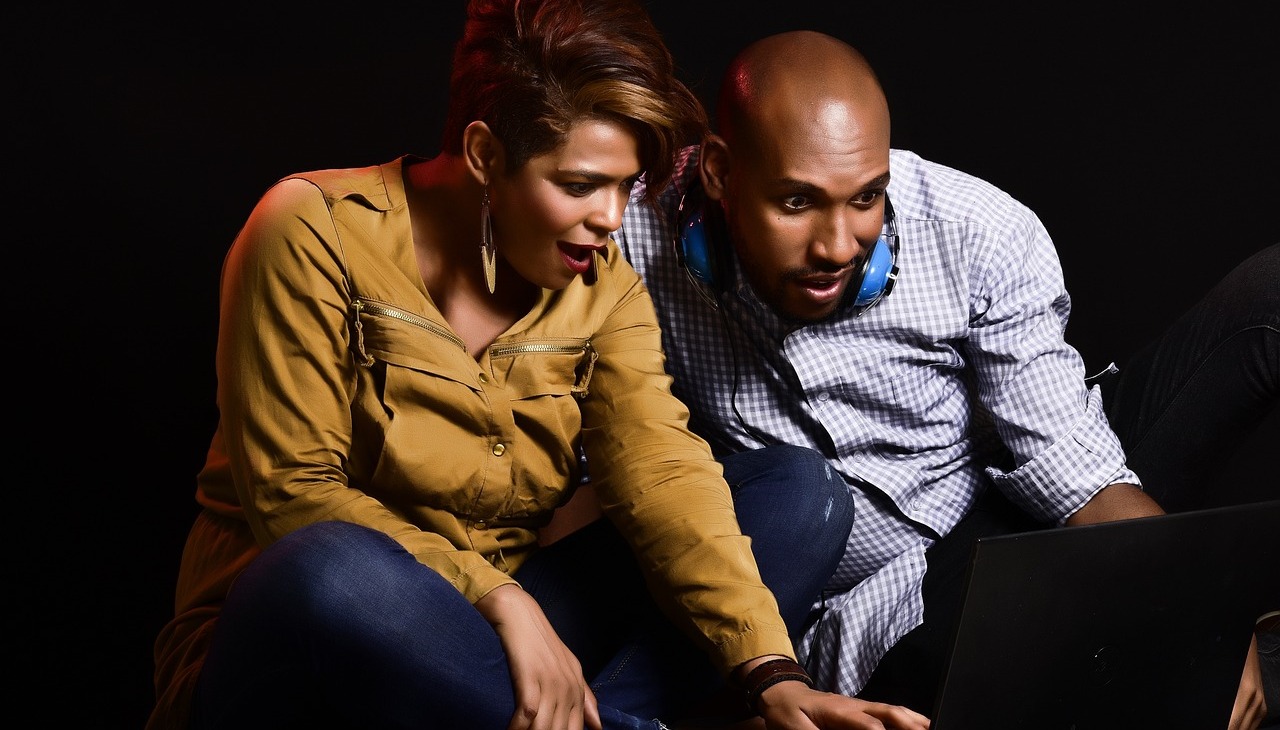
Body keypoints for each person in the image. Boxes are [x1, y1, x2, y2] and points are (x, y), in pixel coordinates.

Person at [146, 4, 937, 730]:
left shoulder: (604, 284)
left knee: (801, 496)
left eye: (628, 185)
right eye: (580, 185)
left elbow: (658, 470)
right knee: (328, 565)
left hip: (507, 651)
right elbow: (295, 496)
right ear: (487, 153)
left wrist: (772, 675)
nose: (612, 218)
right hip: (317, 643)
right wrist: (498, 598)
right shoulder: (311, 232)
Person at [612, 30, 1279, 730]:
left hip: (1015, 516)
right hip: (883, 625)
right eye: (797, 203)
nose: (837, 247)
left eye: (866, 198)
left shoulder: (977, 233)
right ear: (719, 173)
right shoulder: (627, 235)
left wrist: (1198, 603)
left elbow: (1070, 466)